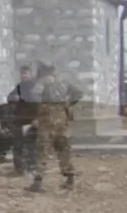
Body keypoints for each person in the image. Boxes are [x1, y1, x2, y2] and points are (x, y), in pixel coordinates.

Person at [25, 62, 83, 193]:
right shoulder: (64, 81)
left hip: (47, 119)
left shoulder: (42, 82)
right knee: (63, 148)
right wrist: (68, 103)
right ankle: (70, 179)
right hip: (62, 118)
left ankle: (38, 182)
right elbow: (79, 92)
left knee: (42, 149)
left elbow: (34, 96)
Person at [9, 65, 38, 175]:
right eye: (22, 74)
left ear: (31, 74)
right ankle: (19, 168)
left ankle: (31, 167)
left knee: (31, 146)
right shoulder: (19, 86)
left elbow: (40, 103)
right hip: (19, 120)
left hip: (31, 121)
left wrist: (37, 118)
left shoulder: (35, 87)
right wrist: (13, 99)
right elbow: (10, 97)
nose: (24, 76)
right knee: (18, 145)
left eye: (26, 73)